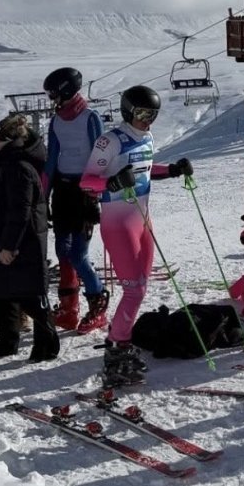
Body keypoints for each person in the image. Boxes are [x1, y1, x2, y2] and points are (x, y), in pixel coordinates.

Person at [80, 85, 193, 386]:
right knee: (134, 291)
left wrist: (171, 170)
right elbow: (87, 182)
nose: (148, 120)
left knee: (140, 289)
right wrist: (113, 183)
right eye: (143, 114)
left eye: (153, 115)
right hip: (119, 225)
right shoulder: (110, 141)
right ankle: (116, 350)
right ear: (128, 111)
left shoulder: (146, 137)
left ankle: (122, 341)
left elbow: (144, 169)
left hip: (143, 221)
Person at [0, 112, 59, 362]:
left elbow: (20, 210)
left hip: (22, 241)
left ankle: (47, 343)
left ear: (9, 142)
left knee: (29, 294)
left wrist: (9, 246)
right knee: (0, 292)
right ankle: (7, 339)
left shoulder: (19, 168)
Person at [42, 67, 108, 334]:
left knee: (79, 254)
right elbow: (50, 162)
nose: (51, 99)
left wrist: (97, 193)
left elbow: (99, 157)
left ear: (66, 90)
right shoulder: (57, 121)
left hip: (84, 192)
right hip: (63, 191)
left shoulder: (90, 118)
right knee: (62, 251)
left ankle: (98, 308)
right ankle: (69, 310)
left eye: (53, 93)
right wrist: (43, 196)